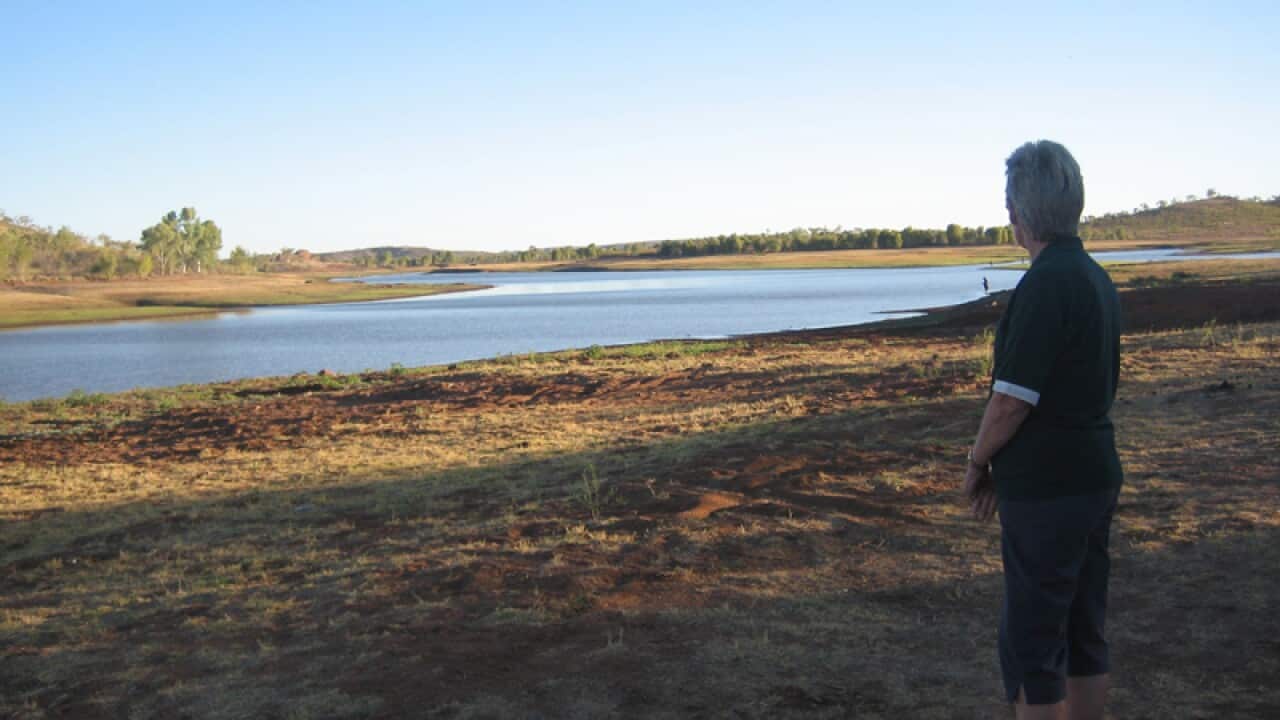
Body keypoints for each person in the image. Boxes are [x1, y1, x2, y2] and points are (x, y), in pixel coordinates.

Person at [963, 140, 1123, 720]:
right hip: (1092, 477)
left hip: (1049, 491)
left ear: (1018, 214)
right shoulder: (1094, 277)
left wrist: (979, 462)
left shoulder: (1046, 284)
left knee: (1034, 644)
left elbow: (1011, 402)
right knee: (1084, 629)